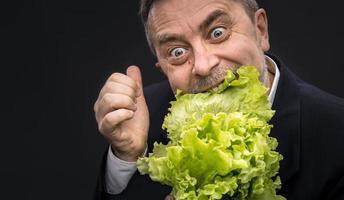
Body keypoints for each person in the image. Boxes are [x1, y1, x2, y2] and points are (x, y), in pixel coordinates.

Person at [93, 0, 344, 199]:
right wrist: (126, 157)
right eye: (177, 52)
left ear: (260, 31)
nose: (203, 65)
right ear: (163, 68)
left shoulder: (336, 132)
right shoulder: (143, 118)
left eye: (218, 32)